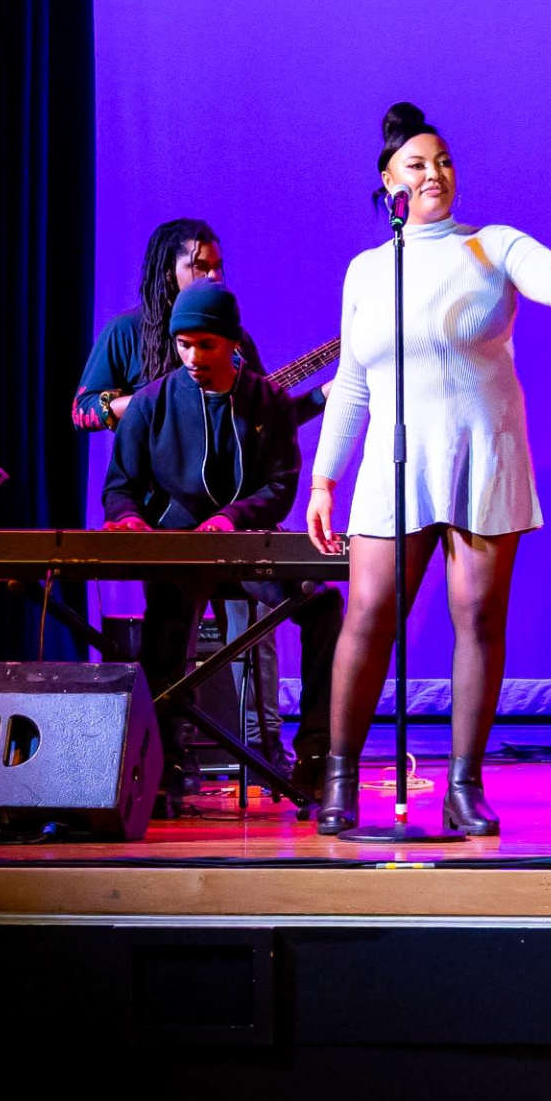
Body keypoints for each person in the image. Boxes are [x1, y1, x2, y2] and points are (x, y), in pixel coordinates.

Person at [305, 105, 551, 836]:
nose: (435, 173)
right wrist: (324, 478)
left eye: (443, 160)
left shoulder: (490, 245)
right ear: (388, 183)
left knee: (477, 617)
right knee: (370, 615)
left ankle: (464, 784)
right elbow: (352, 382)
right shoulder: (369, 271)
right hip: (394, 459)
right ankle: (339, 777)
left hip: (482, 450)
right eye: (417, 164)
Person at [101, 281, 343, 811]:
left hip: (244, 546)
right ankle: (166, 767)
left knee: (323, 603)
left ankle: (315, 758)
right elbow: (119, 486)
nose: (192, 357)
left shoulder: (270, 402)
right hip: (178, 551)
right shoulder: (149, 404)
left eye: (204, 345)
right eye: (184, 345)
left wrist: (231, 518)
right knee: (165, 631)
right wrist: (129, 520)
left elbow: (280, 485)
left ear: (231, 343)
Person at [76, 218, 230, 432]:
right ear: (168, 272)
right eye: (200, 266)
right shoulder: (126, 329)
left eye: (217, 267)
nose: (214, 277)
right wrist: (151, 402)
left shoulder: (229, 333)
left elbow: (264, 401)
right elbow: (82, 411)